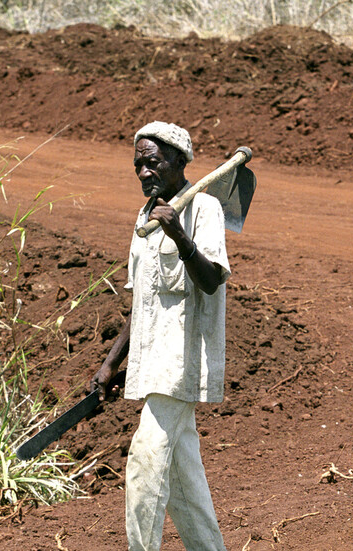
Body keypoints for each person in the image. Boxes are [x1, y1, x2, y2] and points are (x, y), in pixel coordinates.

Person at [92, 121, 230, 551]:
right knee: (182, 478)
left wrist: (179, 234)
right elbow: (143, 303)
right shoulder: (145, 218)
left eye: (151, 163)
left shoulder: (204, 209)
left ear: (177, 161)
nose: (143, 173)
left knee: (146, 461)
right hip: (151, 364)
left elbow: (210, 281)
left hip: (182, 362)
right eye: (138, 165)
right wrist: (112, 362)